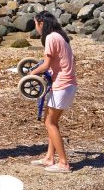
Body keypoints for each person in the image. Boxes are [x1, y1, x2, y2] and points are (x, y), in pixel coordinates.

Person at [29, 11, 77, 173]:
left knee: (50, 123)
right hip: (67, 84)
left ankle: (63, 163)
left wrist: (31, 74)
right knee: (50, 121)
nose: (35, 27)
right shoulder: (60, 36)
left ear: (41, 23)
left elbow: (46, 64)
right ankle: (50, 158)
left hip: (62, 86)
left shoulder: (50, 37)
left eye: (36, 24)